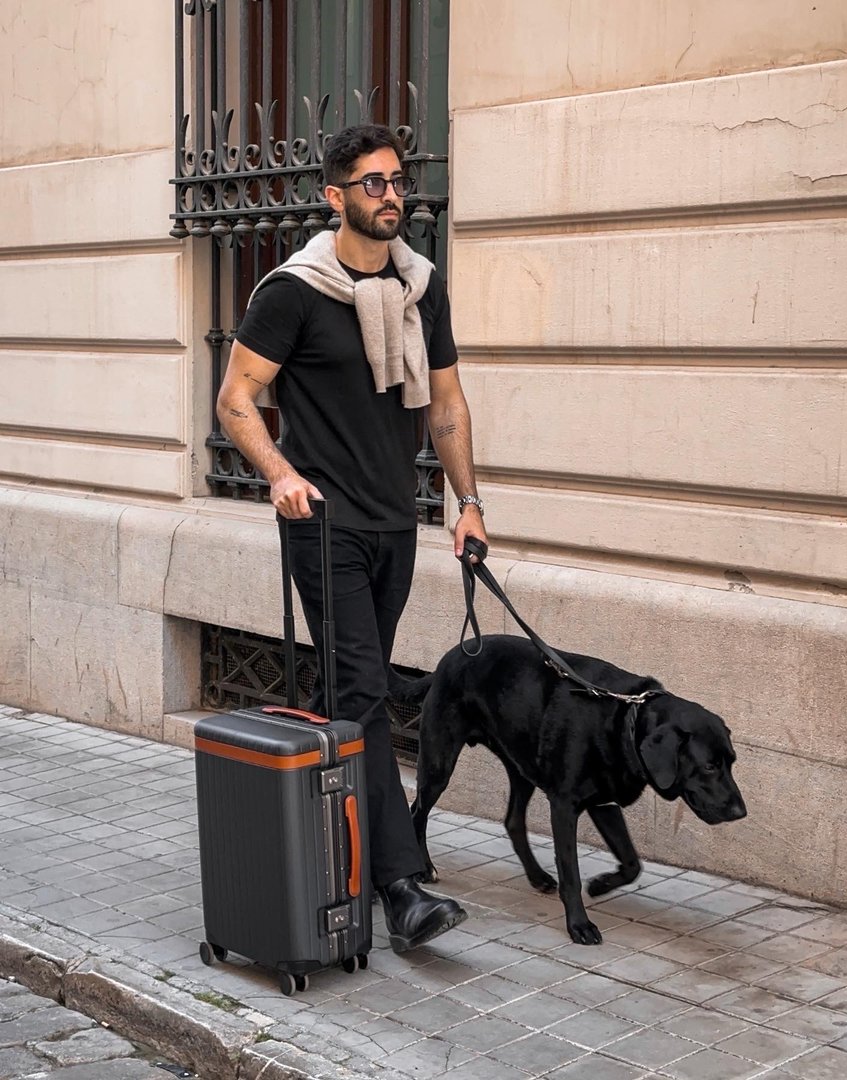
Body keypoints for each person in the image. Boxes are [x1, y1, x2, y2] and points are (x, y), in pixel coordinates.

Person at [216, 123, 488, 953]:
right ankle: (400, 888)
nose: (391, 196)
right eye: (372, 184)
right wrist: (279, 473)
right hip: (322, 524)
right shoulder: (292, 292)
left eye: (397, 182)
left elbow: (445, 405)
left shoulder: (419, 289)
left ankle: (336, 848)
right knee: (365, 690)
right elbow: (234, 401)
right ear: (333, 197)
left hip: (394, 523)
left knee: (351, 696)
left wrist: (467, 504)